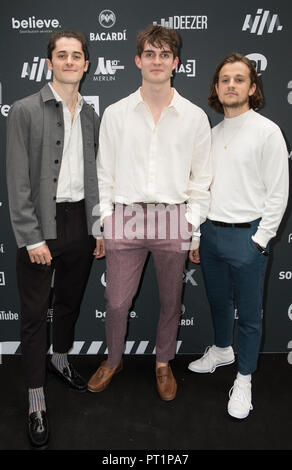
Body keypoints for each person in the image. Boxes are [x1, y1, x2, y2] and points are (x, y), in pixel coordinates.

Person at [88, 25, 211, 401]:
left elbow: (200, 179)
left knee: (172, 300)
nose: (157, 61)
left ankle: (162, 362)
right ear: (137, 60)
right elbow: (103, 173)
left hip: (174, 217)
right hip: (123, 216)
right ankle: (113, 359)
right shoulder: (116, 113)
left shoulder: (193, 117)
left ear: (176, 62)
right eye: (150, 54)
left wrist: (193, 228)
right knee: (116, 302)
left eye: (164, 55)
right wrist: (101, 224)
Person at [6, 30, 103, 448]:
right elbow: (17, 179)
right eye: (61, 55)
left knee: (68, 302)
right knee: (32, 317)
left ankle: (60, 359)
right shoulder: (25, 110)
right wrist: (31, 238)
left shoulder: (90, 115)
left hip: (79, 222)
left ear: (86, 65)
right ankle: (35, 398)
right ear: (50, 63)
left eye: (76, 55)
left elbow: (97, 178)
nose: (69, 61)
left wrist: (97, 227)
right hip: (40, 227)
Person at [188, 53, 289, 419]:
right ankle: (221, 350)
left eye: (239, 79)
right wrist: (197, 236)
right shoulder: (210, 135)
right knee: (217, 303)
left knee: (248, 316)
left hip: (248, 238)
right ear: (216, 88)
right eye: (225, 79)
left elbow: (278, 192)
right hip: (212, 235)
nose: (231, 84)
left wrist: (260, 240)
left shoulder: (267, 131)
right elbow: (201, 189)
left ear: (252, 87)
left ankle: (244, 379)